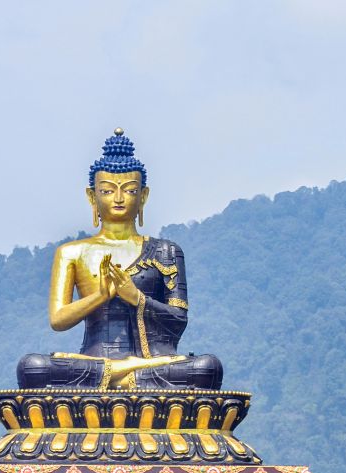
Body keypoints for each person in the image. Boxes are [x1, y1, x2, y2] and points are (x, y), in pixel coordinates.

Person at [15, 129, 222, 391]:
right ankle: (123, 373)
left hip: (149, 361)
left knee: (207, 368)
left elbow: (178, 318)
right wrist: (101, 296)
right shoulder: (72, 252)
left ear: (143, 196)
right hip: (95, 361)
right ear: (92, 196)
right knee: (33, 367)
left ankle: (120, 374)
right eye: (108, 191)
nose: (119, 199)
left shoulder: (166, 251)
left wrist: (136, 298)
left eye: (130, 190)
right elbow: (58, 319)